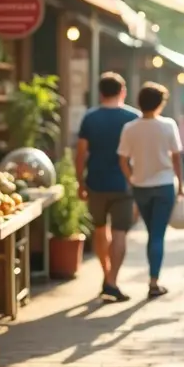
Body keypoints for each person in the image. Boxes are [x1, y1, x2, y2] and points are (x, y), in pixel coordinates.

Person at [76, 72, 141, 303]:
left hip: (96, 182)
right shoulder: (134, 117)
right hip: (124, 184)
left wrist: (80, 181)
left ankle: (106, 275)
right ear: (122, 91)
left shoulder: (90, 118)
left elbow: (81, 152)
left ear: (101, 92)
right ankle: (112, 281)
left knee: (100, 228)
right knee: (120, 232)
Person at [118, 82, 184, 298]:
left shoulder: (130, 127)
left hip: (141, 187)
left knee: (151, 233)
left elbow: (122, 159)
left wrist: (131, 179)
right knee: (158, 235)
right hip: (164, 185)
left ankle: (153, 279)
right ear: (160, 103)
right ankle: (154, 282)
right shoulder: (168, 125)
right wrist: (181, 186)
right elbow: (176, 158)